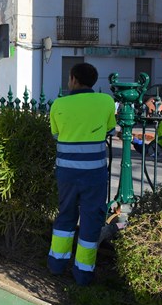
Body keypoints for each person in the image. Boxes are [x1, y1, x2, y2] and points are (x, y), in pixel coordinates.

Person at [48, 63, 116, 286]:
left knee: (65, 214)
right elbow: (109, 130)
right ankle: (83, 273)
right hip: (94, 174)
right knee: (91, 219)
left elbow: (56, 134)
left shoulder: (58, 104)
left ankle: (56, 264)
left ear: (73, 79)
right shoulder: (106, 101)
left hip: (66, 173)